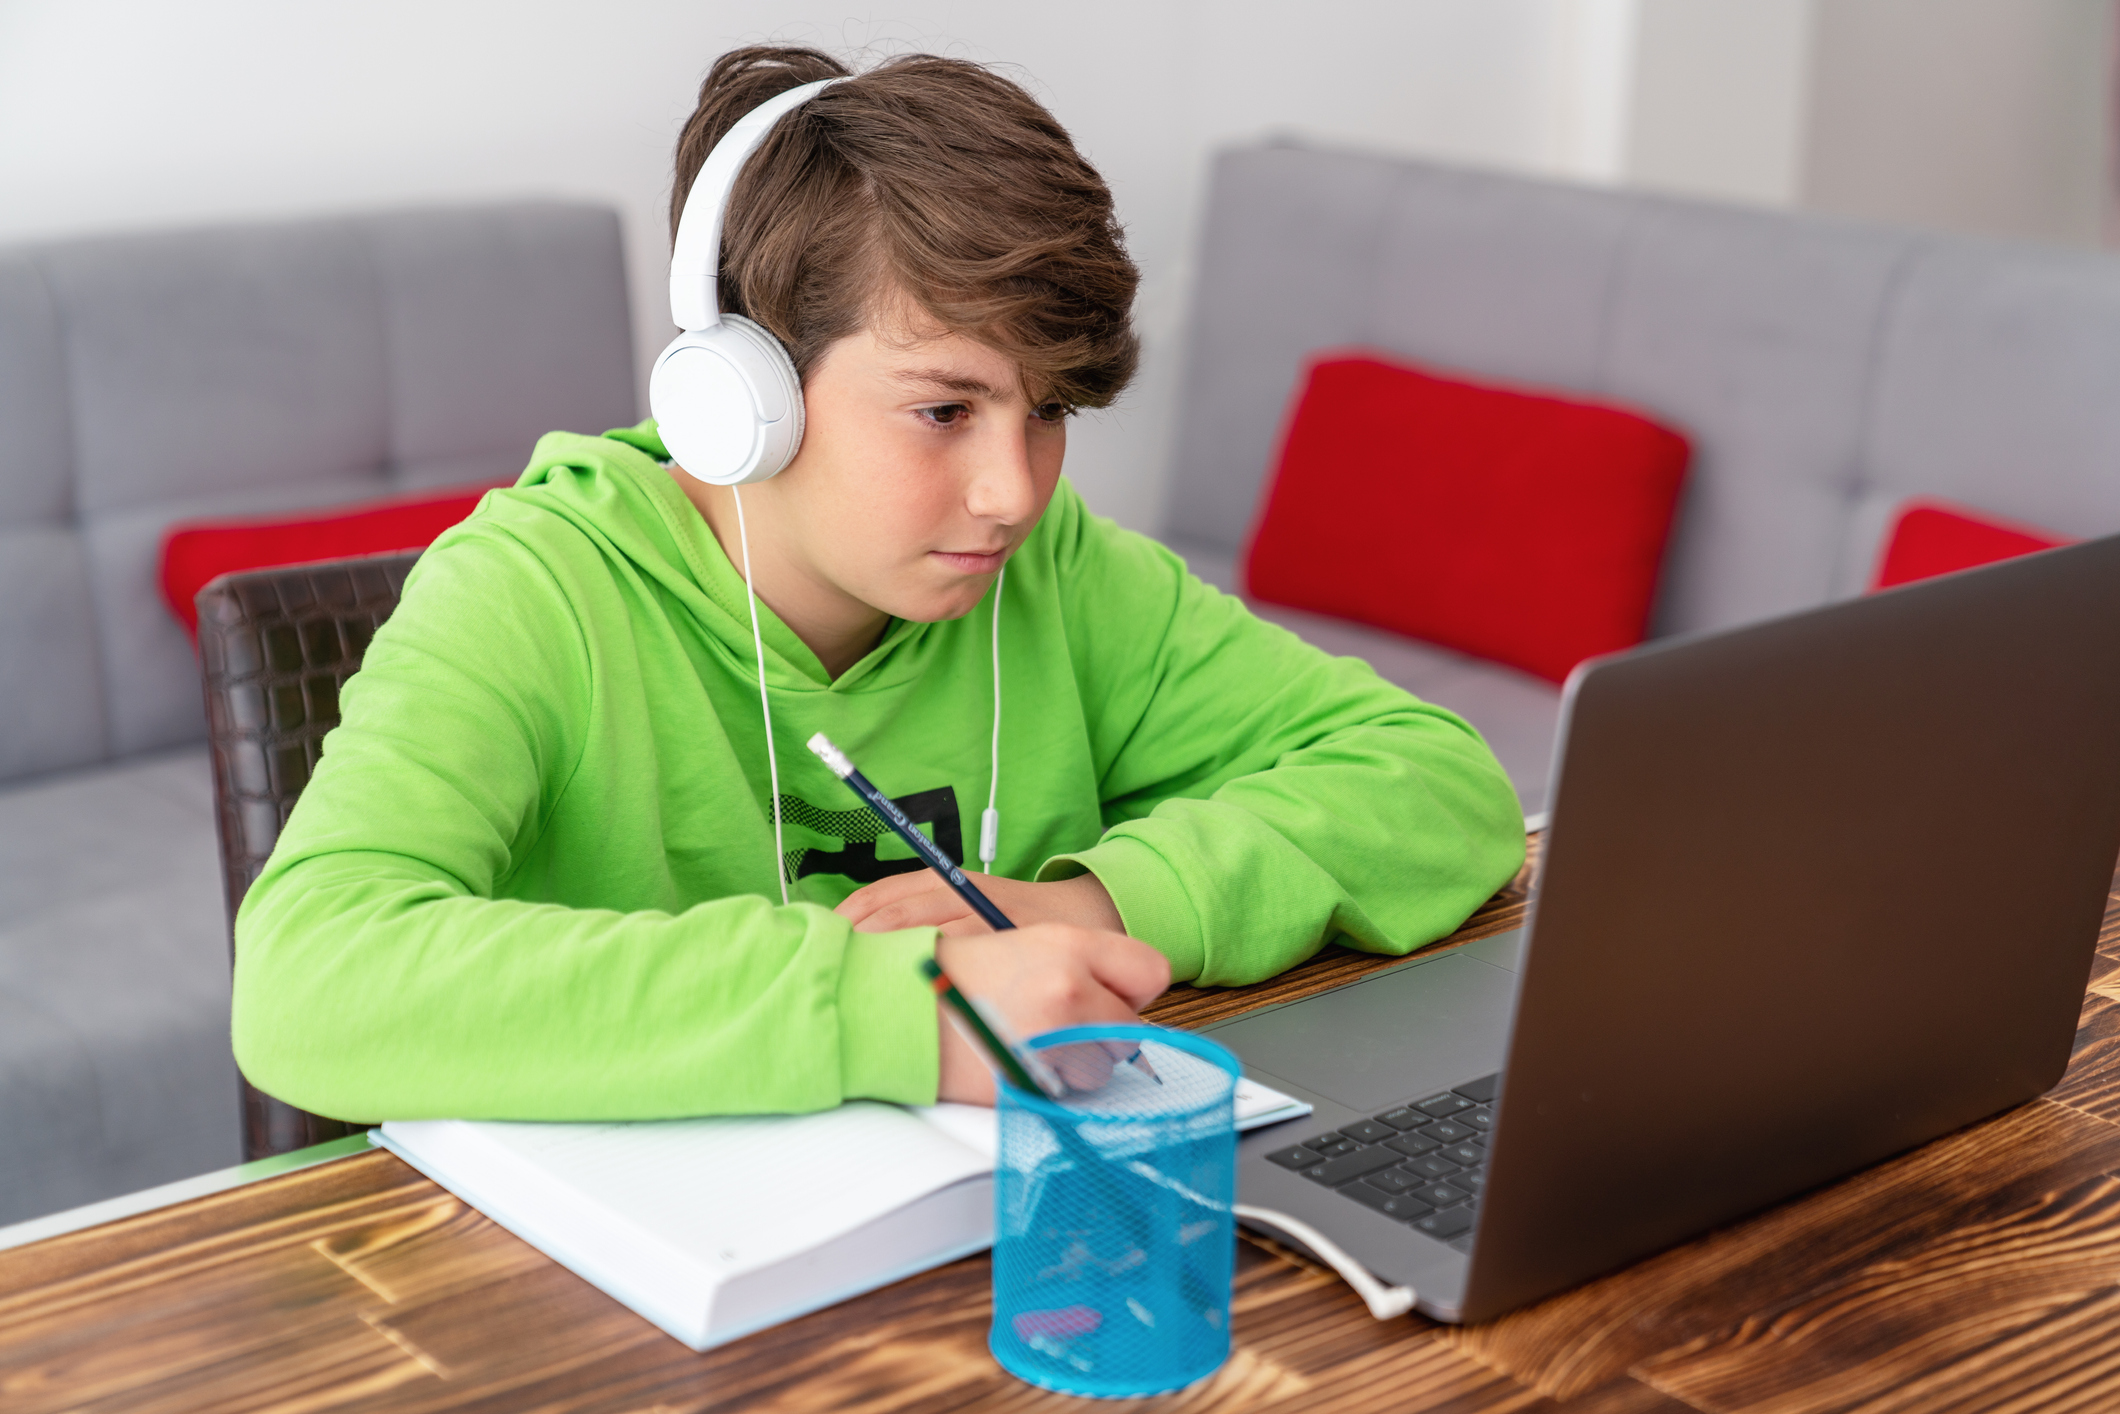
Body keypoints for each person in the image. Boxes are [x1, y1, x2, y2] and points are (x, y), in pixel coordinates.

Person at [231, 45, 1527, 1122]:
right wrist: (907, 1014)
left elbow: (1439, 781)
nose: (1015, 490)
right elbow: (307, 978)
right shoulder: (535, 592)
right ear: (741, 397)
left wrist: (1096, 899)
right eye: (944, 408)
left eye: (1049, 411)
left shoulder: (1060, 574)